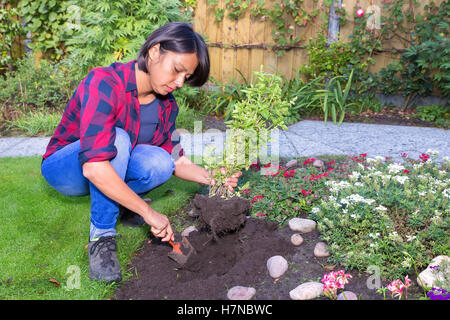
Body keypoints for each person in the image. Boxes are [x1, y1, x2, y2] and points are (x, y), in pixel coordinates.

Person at [41, 22, 241, 283]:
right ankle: (101, 236)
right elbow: (94, 166)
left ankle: (123, 205)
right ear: (155, 51)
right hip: (66, 170)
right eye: (177, 70)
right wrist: (149, 214)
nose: (180, 82)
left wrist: (213, 177)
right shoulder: (104, 82)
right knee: (119, 139)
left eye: (186, 77)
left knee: (159, 162)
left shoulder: (167, 106)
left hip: (109, 167)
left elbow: (174, 160)